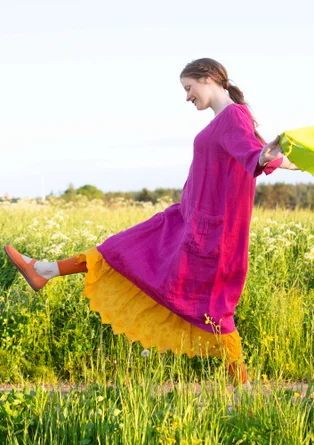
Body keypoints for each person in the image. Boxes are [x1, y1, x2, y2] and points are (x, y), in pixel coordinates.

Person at [4, 58, 298, 389]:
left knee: (216, 310)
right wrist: (280, 159)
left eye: (188, 88)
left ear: (207, 78)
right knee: (120, 249)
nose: (187, 97)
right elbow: (258, 154)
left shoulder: (233, 116)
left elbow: (253, 156)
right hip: (185, 218)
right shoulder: (228, 119)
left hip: (211, 233)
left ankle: (243, 391)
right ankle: (45, 270)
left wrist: (269, 158)